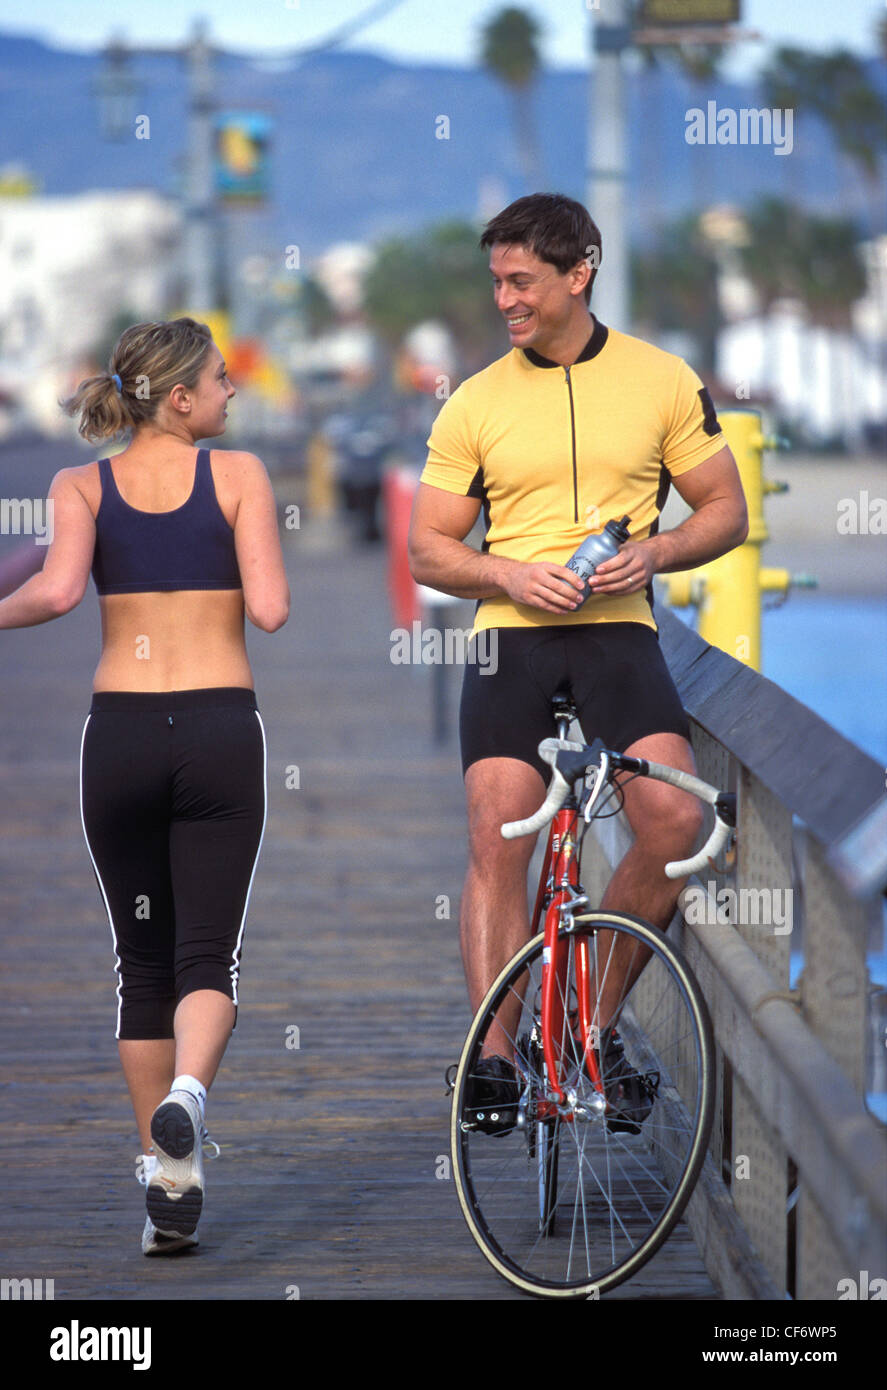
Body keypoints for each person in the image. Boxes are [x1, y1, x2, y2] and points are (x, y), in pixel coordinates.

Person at [408, 193, 748, 1129]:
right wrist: (510, 570)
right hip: (510, 634)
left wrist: (657, 552)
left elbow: (724, 510)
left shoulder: (660, 380)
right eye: (497, 283)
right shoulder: (474, 400)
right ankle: (491, 1060)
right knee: (496, 834)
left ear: (577, 272)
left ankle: (590, 1030)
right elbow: (427, 549)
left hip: (617, 629)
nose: (505, 299)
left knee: (677, 820)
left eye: (521, 281)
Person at [0, 317, 289, 1252]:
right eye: (217, 379)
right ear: (178, 398)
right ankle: (190, 1098)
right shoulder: (239, 477)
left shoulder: (79, 483)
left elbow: (50, 593)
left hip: (118, 737)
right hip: (216, 732)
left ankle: (169, 1184)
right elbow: (276, 613)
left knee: (141, 967)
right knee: (210, 959)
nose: (230, 391)